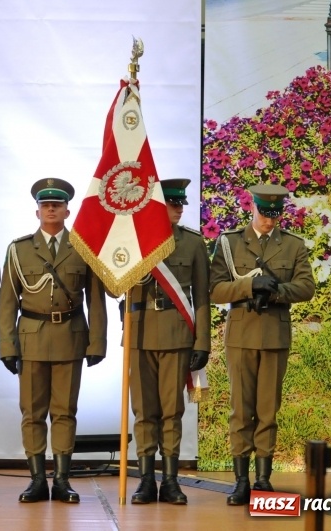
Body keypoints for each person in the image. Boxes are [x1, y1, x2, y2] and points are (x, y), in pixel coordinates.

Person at [0, 177, 108, 504]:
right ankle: (36, 480)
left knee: (64, 412)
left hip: (70, 338)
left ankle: (61, 480)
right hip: (30, 338)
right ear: (37, 211)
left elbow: (96, 299)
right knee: (32, 412)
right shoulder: (19, 250)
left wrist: (97, 342)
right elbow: (7, 302)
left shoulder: (83, 248)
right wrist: (7, 345)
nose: (50, 209)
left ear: (67, 210)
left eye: (56, 205)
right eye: (45, 205)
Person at [209, 183, 314, 506]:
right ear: (251, 208)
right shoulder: (229, 243)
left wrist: (276, 292)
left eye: (275, 215)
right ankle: (241, 480)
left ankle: (263, 478)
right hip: (241, 334)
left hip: (274, 334)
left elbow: (306, 287)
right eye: (264, 214)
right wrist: (249, 285)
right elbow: (214, 290)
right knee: (242, 410)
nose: (269, 221)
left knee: (268, 409)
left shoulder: (292, 246)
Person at [125, 178, 211, 505]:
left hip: (177, 333)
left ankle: (171, 480)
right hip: (140, 331)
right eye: (172, 204)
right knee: (144, 411)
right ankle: (146, 479)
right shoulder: (134, 241)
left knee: (172, 411)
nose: (178, 209)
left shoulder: (191, 243)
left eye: (180, 204)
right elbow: (112, 286)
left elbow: (201, 296)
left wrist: (202, 342)